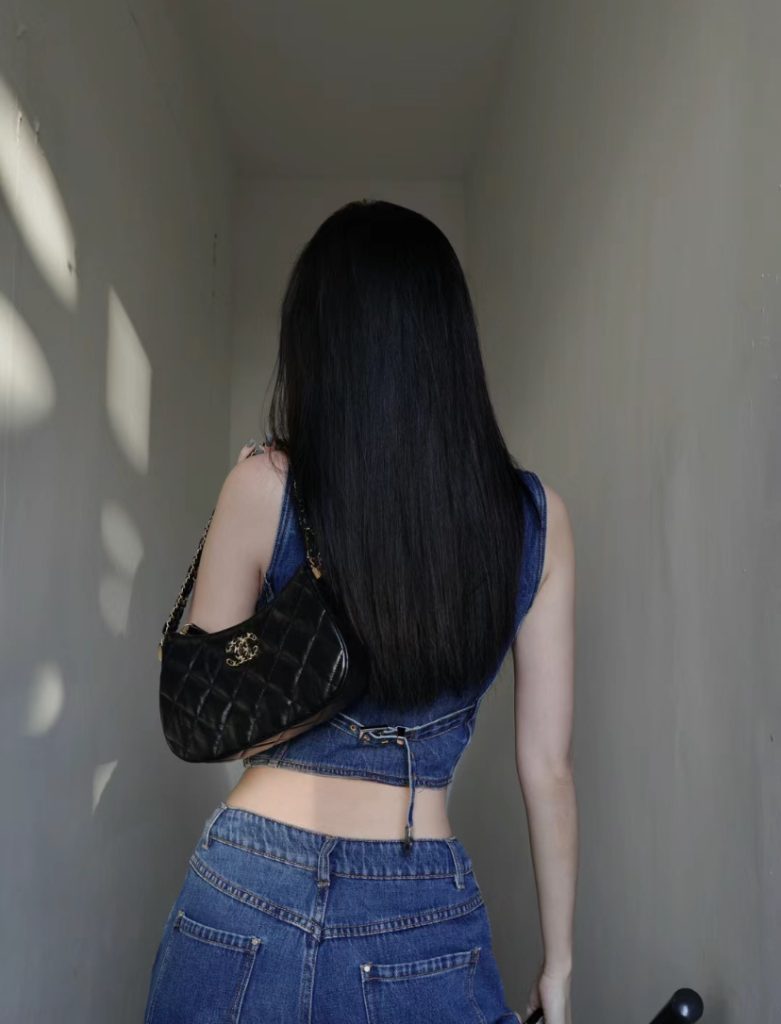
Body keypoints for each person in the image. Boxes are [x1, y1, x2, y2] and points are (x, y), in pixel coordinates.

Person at [143, 199, 577, 1024]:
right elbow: (547, 767)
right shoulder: (535, 520)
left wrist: (239, 510)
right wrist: (557, 964)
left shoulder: (262, 486)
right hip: (420, 900)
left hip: (244, 883)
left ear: (319, 344)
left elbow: (209, 712)